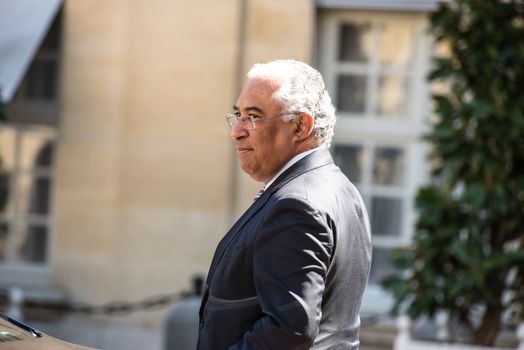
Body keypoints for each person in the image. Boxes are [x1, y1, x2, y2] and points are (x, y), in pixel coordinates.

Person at [197, 59, 372, 349]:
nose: (237, 130)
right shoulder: (341, 189)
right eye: (237, 114)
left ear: (301, 126)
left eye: (253, 116)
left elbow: (288, 331)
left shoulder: (296, 204)